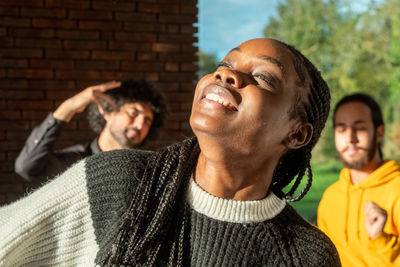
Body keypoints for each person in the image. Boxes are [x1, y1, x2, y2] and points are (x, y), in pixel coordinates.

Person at [0, 38, 340, 266]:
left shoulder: (306, 255)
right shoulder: (121, 182)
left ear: (297, 133)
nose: (227, 74)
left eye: (264, 77)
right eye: (225, 63)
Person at [14, 79, 167, 182]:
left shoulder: (149, 168)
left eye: (147, 121)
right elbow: (26, 167)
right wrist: (68, 107)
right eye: (133, 113)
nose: (140, 125)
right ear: (108, 112)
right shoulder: (74, 162)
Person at [318, 93, 400, 266]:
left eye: (360, 127)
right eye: (341, 129)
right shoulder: (330, 198)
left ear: (379, 133)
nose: (350, 138)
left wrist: (379, 239)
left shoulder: (396, 191)